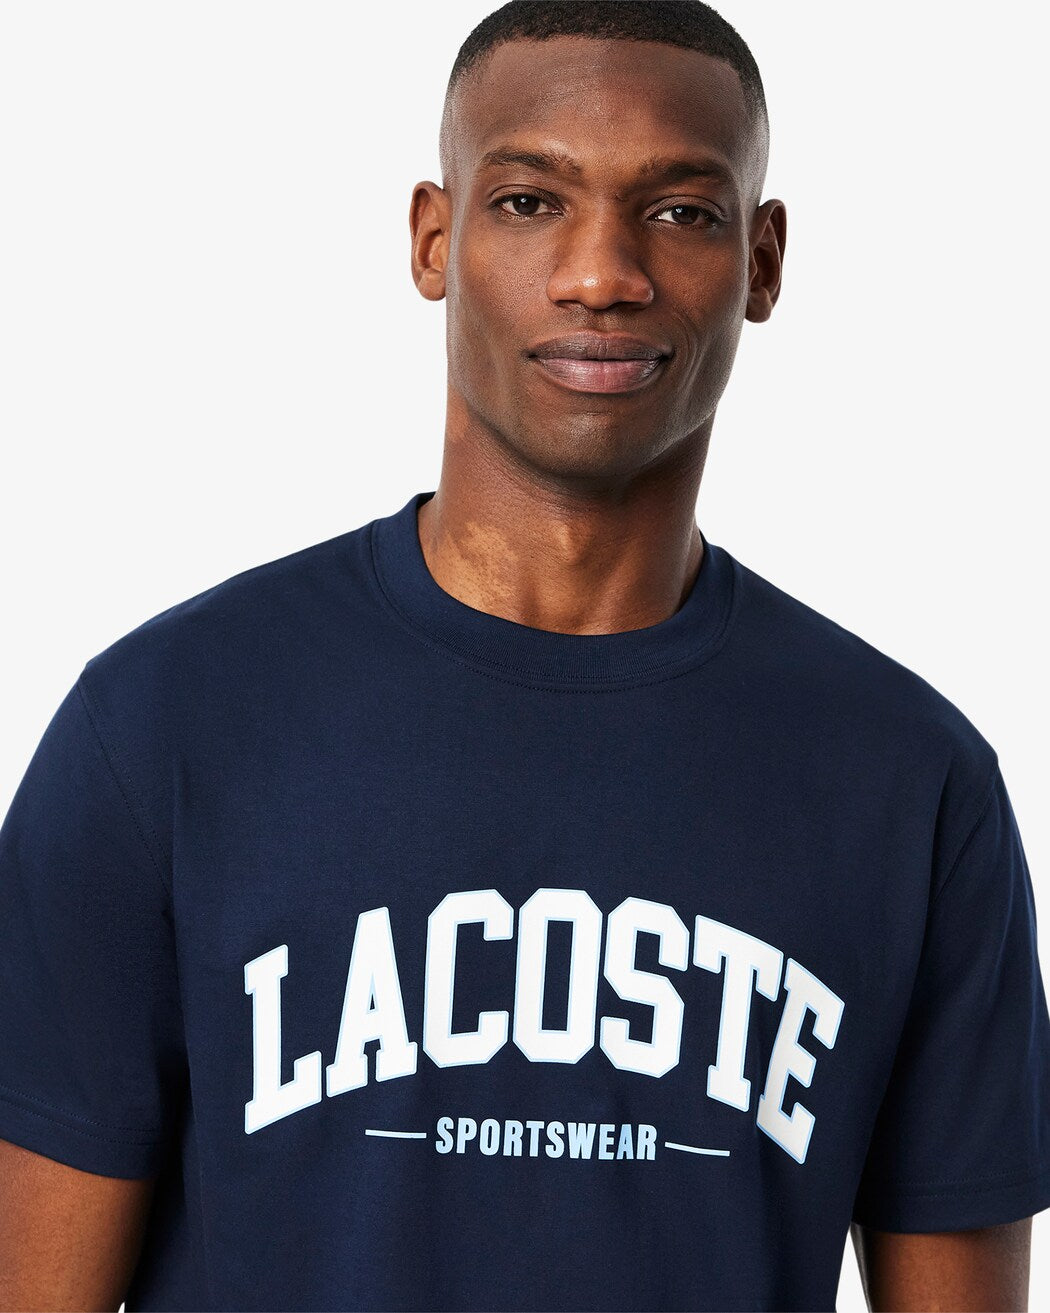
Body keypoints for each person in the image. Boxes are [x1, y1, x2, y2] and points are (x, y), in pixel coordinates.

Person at [0, 0, 1047, 1309]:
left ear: (763, 260)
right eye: (529, 202)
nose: (601, 273)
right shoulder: (162, 726)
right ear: (434, 240)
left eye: (680, 211)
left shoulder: (911, 783)